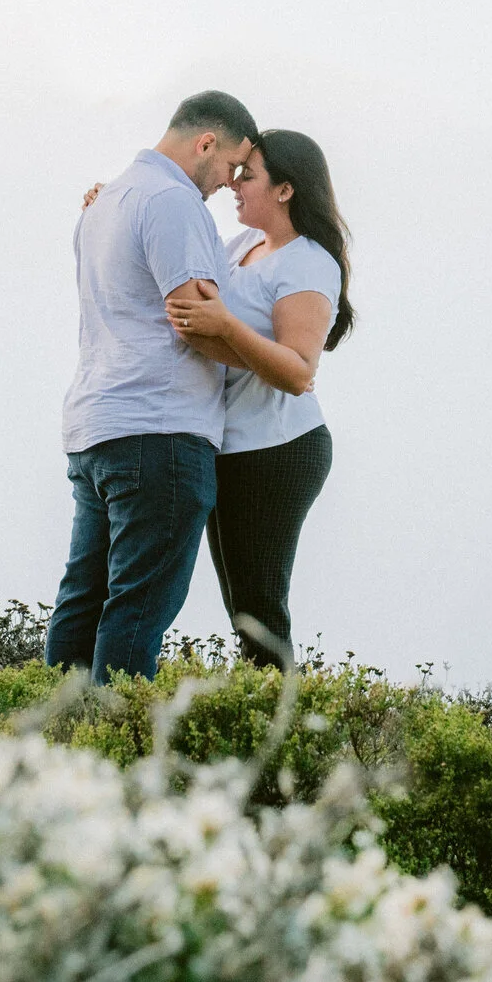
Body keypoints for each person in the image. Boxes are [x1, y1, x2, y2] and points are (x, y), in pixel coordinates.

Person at [45, 89, 259, 683]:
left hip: (98, 426)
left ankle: (53, 745)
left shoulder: (106, 201)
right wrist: (280, 364)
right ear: (206, 143)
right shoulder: (173, 200)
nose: (228, 182)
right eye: (230, 166)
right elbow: (194, 320)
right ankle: (115, 756)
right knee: (137, 612)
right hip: (159, 432)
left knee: (84, 602)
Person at [162, 129, 353, 670]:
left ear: (286, 189)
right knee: (243, 610)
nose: (235, 185)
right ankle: (262, 725)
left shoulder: (309, 262)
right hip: (229, 446)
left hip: (278, 449)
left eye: (249, 176)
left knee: (260, 611)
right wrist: (119, 203)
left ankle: (280, 736)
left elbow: (297, 371)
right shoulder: (241, 247)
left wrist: (225, 324)